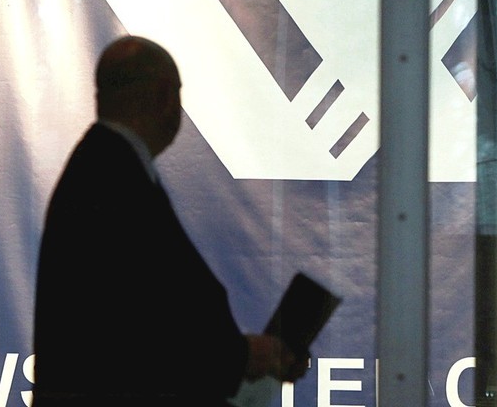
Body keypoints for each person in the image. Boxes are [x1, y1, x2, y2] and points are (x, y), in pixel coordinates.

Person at [33, 35, 303, 406]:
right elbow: (146, 320)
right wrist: (241, 356)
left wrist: (241, 356)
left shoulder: (105, 166)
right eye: (178, 93)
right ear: (163, 95)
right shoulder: (113, 177)